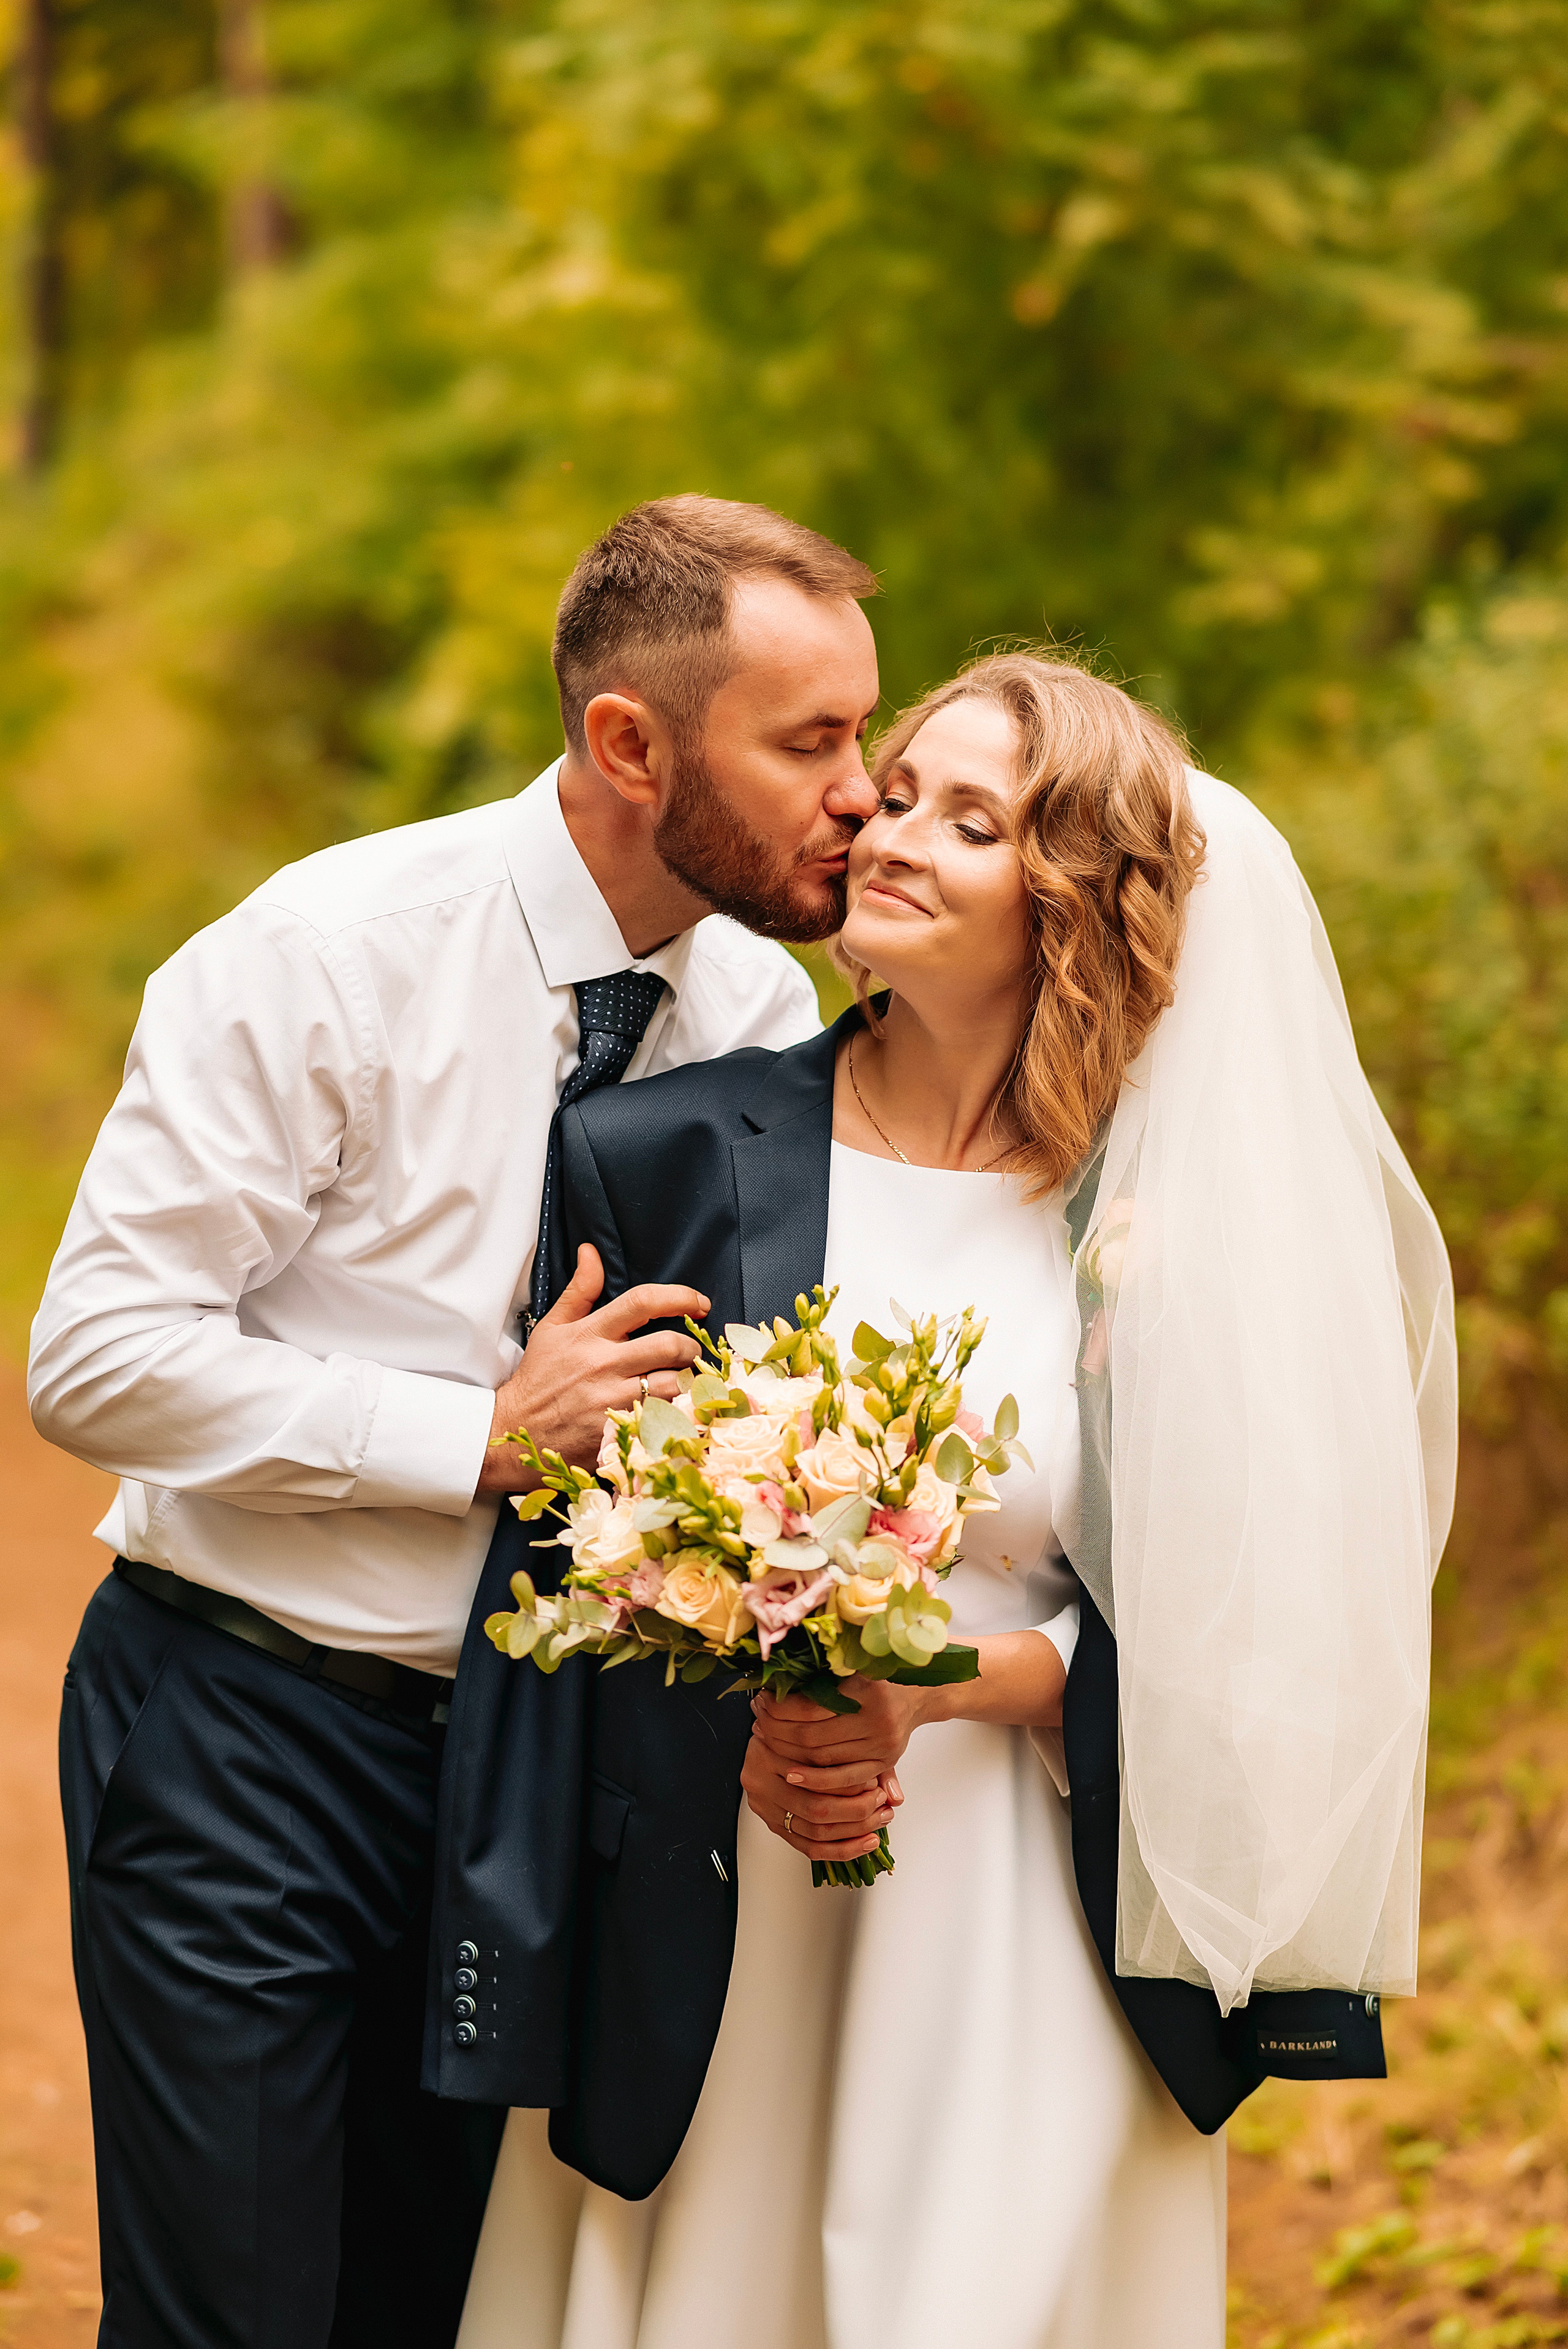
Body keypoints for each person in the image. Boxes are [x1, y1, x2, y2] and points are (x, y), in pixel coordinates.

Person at [447, 652, 1456, 2348]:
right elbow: (566, 1554)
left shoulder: (1166, 1220)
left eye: (971, 822)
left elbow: (1272, 1620)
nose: (889, 833)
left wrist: (947, 1688)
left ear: (1069, 897)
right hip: (729, 1890)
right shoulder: (666, 1151)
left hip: (1029, 1901)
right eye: (899, 791)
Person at [26, 493, 883, 2349]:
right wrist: (474, 1436)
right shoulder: (328, 950)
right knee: (233, 2319)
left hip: (545, 1770)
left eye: (864, 734)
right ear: (630, 744)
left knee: (442, 2307)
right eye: (812, 741)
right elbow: (91, 1355)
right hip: (247, 1725)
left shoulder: (757, 1007)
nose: (864, 791)